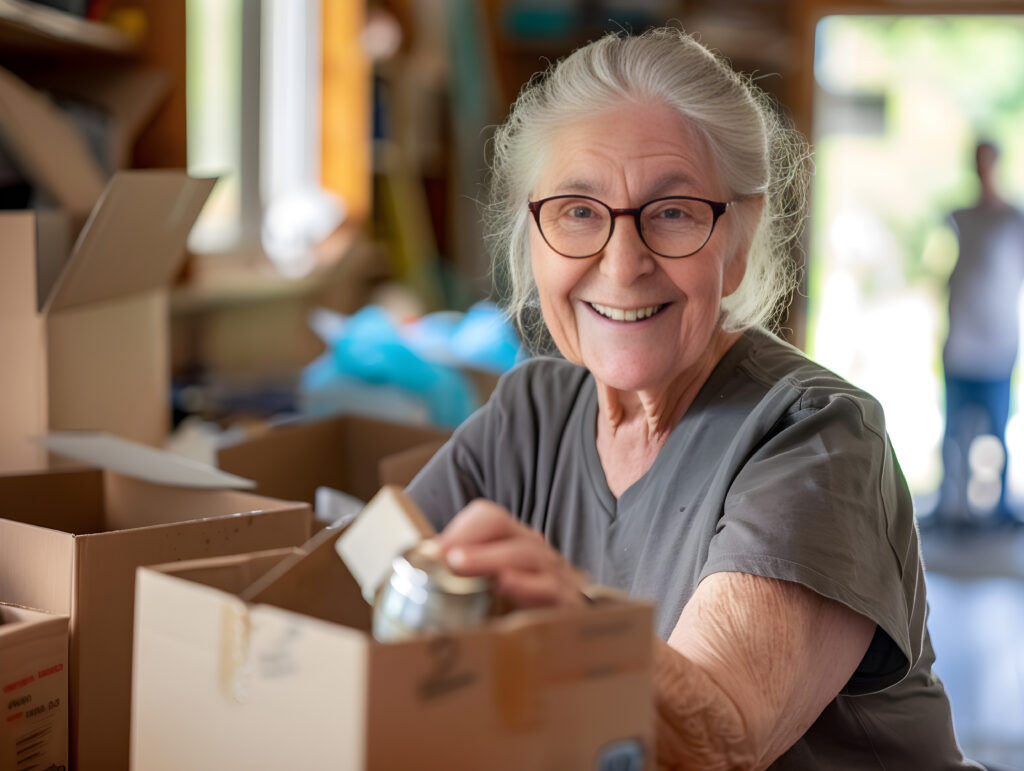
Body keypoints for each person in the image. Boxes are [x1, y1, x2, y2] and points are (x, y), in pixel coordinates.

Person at [407, 27, 980, 769]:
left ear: (737, 240)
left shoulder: (816, 438)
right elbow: (348, 596)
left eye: (672, 212)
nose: (621, 263)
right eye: (578, 211)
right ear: (534, 231)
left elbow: (715, 740)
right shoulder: (532, 413)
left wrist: (573, 626)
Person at [938, 140, 1024, 528]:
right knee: (954, 432)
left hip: (998, 344)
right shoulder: (960, 216)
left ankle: (997, 508)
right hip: (961, 343)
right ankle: (951, 504)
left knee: (996, 429)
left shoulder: (1013, 220)